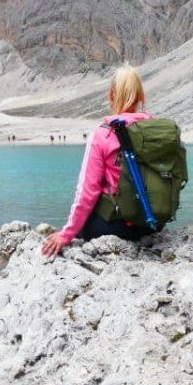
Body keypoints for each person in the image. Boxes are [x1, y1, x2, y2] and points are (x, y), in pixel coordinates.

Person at [42, 65, 154, 258]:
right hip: (153, 223)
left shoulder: (104, 134)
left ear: (111, 95)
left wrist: (66, 234)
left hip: (120, 226)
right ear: (140, 96)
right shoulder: (157, 128)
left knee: (83, 226)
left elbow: (87, 191)